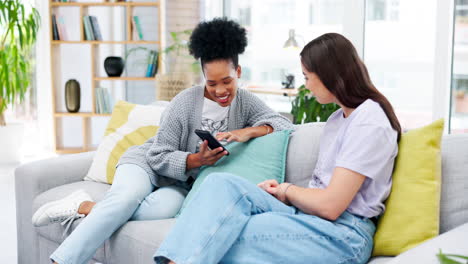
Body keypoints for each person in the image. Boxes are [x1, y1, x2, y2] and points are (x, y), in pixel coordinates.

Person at [32, 18, 292, 264]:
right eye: (212, 83)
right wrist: (195, 160)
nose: (221, 90)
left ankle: (85, 206)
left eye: (227, 81)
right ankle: (62, 259)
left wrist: (248, 132)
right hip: (144, 164)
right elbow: (157, 155)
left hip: (179, 184)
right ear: (203, 78)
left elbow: (284, 124)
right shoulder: (184, 102)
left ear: (238, 72)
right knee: (125, 199)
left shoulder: (245, 102)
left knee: (164, 208)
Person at [153, 32, 402, 264]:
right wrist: (282, 193)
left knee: (222, 231)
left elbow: (331, 205)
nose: (306, 86)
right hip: (312, 219)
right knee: (220, 183)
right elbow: (322, 192)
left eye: (306, 77)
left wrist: (287, 189)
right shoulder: (339, 120)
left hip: (343, 235)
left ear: (329, 75)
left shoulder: (369, 120)